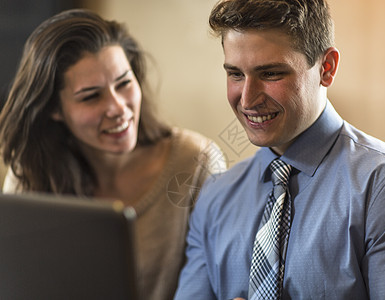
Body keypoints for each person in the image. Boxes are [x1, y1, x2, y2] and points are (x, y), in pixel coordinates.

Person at [174, 0, 385, 299]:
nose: (247, 100)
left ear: (326, 68)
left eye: (270, 74)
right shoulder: (215, 197)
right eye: (236, 74)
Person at [0, 9, 226, 300]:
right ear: (54, 110)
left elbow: (217, 283)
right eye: (92, 96)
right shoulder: (30, 174)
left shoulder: (197, 163)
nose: (118, 107)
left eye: (124, 83)